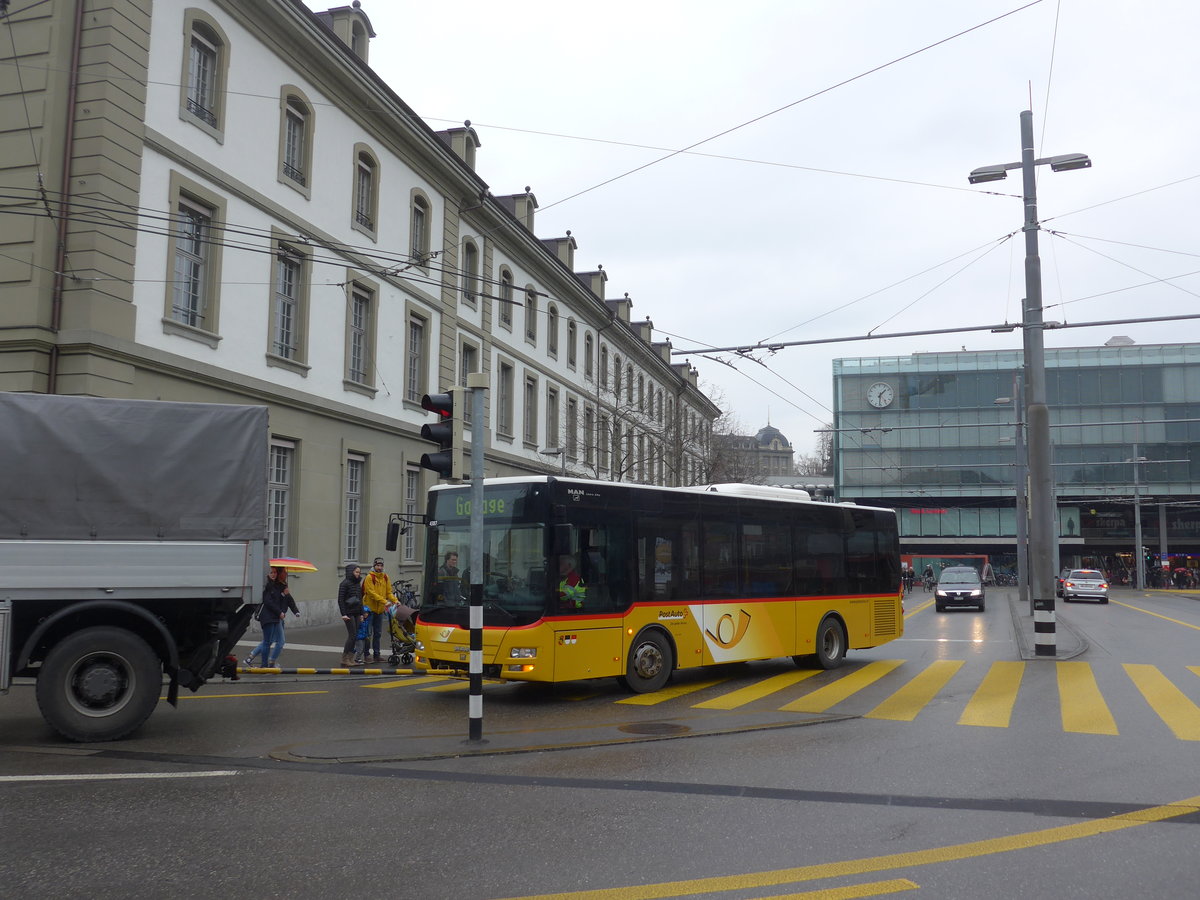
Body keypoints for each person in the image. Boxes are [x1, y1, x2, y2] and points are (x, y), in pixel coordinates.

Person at [244, 566, 299, 668]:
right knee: (272, 642)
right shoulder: (270, 585)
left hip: (276, 617)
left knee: (269, 641)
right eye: (271, 572)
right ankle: (267, 664)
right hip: (271, 616)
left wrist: (295, 611)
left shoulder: (280, 585)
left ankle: (255, 659)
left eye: (275, 572)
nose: (286, 574)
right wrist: (280, 611)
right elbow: (269, 601)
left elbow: (287, 599)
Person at [362, 557, 392, 664]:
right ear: (374, 566)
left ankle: (377, 654)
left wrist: (396, 601)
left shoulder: (385, 577)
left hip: (379, 610)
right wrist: (385, 601)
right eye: (377, 565)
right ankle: (366, 655)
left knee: (378, 633)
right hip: (370, 610)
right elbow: (371, 593)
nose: (379, 567)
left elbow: (389, 592)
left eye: (381, 566)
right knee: (368, 633)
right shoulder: (369, 577)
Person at [337, 563, 365, 667]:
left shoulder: (357, 584)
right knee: (352, 636)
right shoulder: (344, 584)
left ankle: (350, 658)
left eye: (359, 572)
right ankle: (344, 658)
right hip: (348, 613)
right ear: (351, 572)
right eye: (356, 572)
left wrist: (362, 613)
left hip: (357, 612)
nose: (358, 574)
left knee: (355, 635)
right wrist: (343, 614)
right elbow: (340, 600)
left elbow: (360, 599)